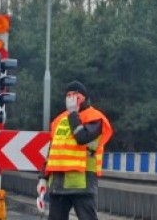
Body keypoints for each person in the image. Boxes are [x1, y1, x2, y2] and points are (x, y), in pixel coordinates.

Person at [38, 81, 113, 220]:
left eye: (75, 95)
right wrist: (43, 178)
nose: (71, 98)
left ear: (84, 97)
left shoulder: (95, 117)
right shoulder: (59, 120)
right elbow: (52, 152)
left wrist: (73, 114)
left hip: (82, 184)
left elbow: (82, 137)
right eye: (68, 95)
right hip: (58, 184)